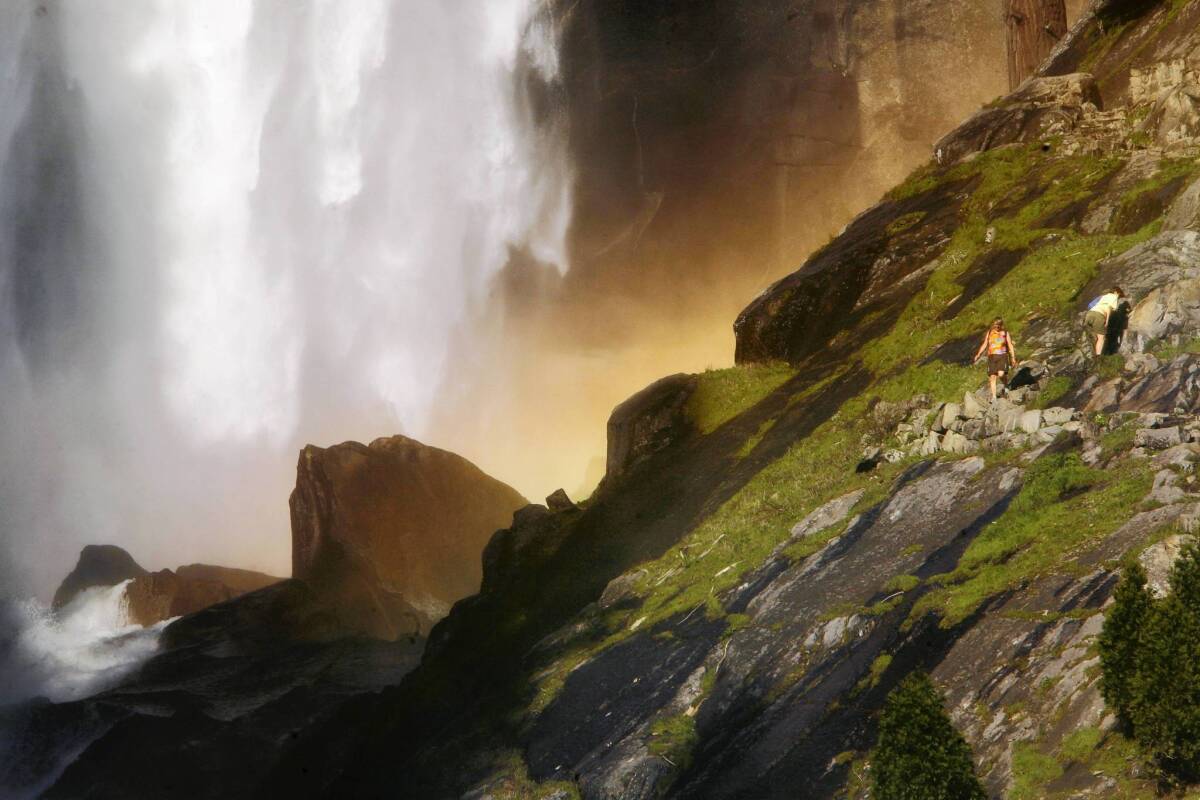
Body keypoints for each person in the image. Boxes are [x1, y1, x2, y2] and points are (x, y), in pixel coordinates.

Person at [973, 318, 1017, 400]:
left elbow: (1010, 345)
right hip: (991, 357)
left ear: (1001, 325)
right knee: (992, 376)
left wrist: (1013, 358)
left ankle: (1006, 385)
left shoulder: (1005, 333)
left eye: (997, 326)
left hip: (1002, 356)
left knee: (1001, 374)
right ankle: (994, 397)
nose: (996, 327)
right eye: (994, 325)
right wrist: (978, 354)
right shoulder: (990, 332)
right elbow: (985, 344)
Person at [1084, 286, 1126, 356]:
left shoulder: (1105, 296)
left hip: (1089, 314)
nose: (1118, 297)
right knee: (1101, 338)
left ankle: (1096, 355)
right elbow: (1108, 308)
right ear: (1116, 292)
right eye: (1119, 295)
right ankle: (1099, 356)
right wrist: (1106, 321)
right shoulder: (1114, 297)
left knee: (1097, 337)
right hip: (1099, 315)